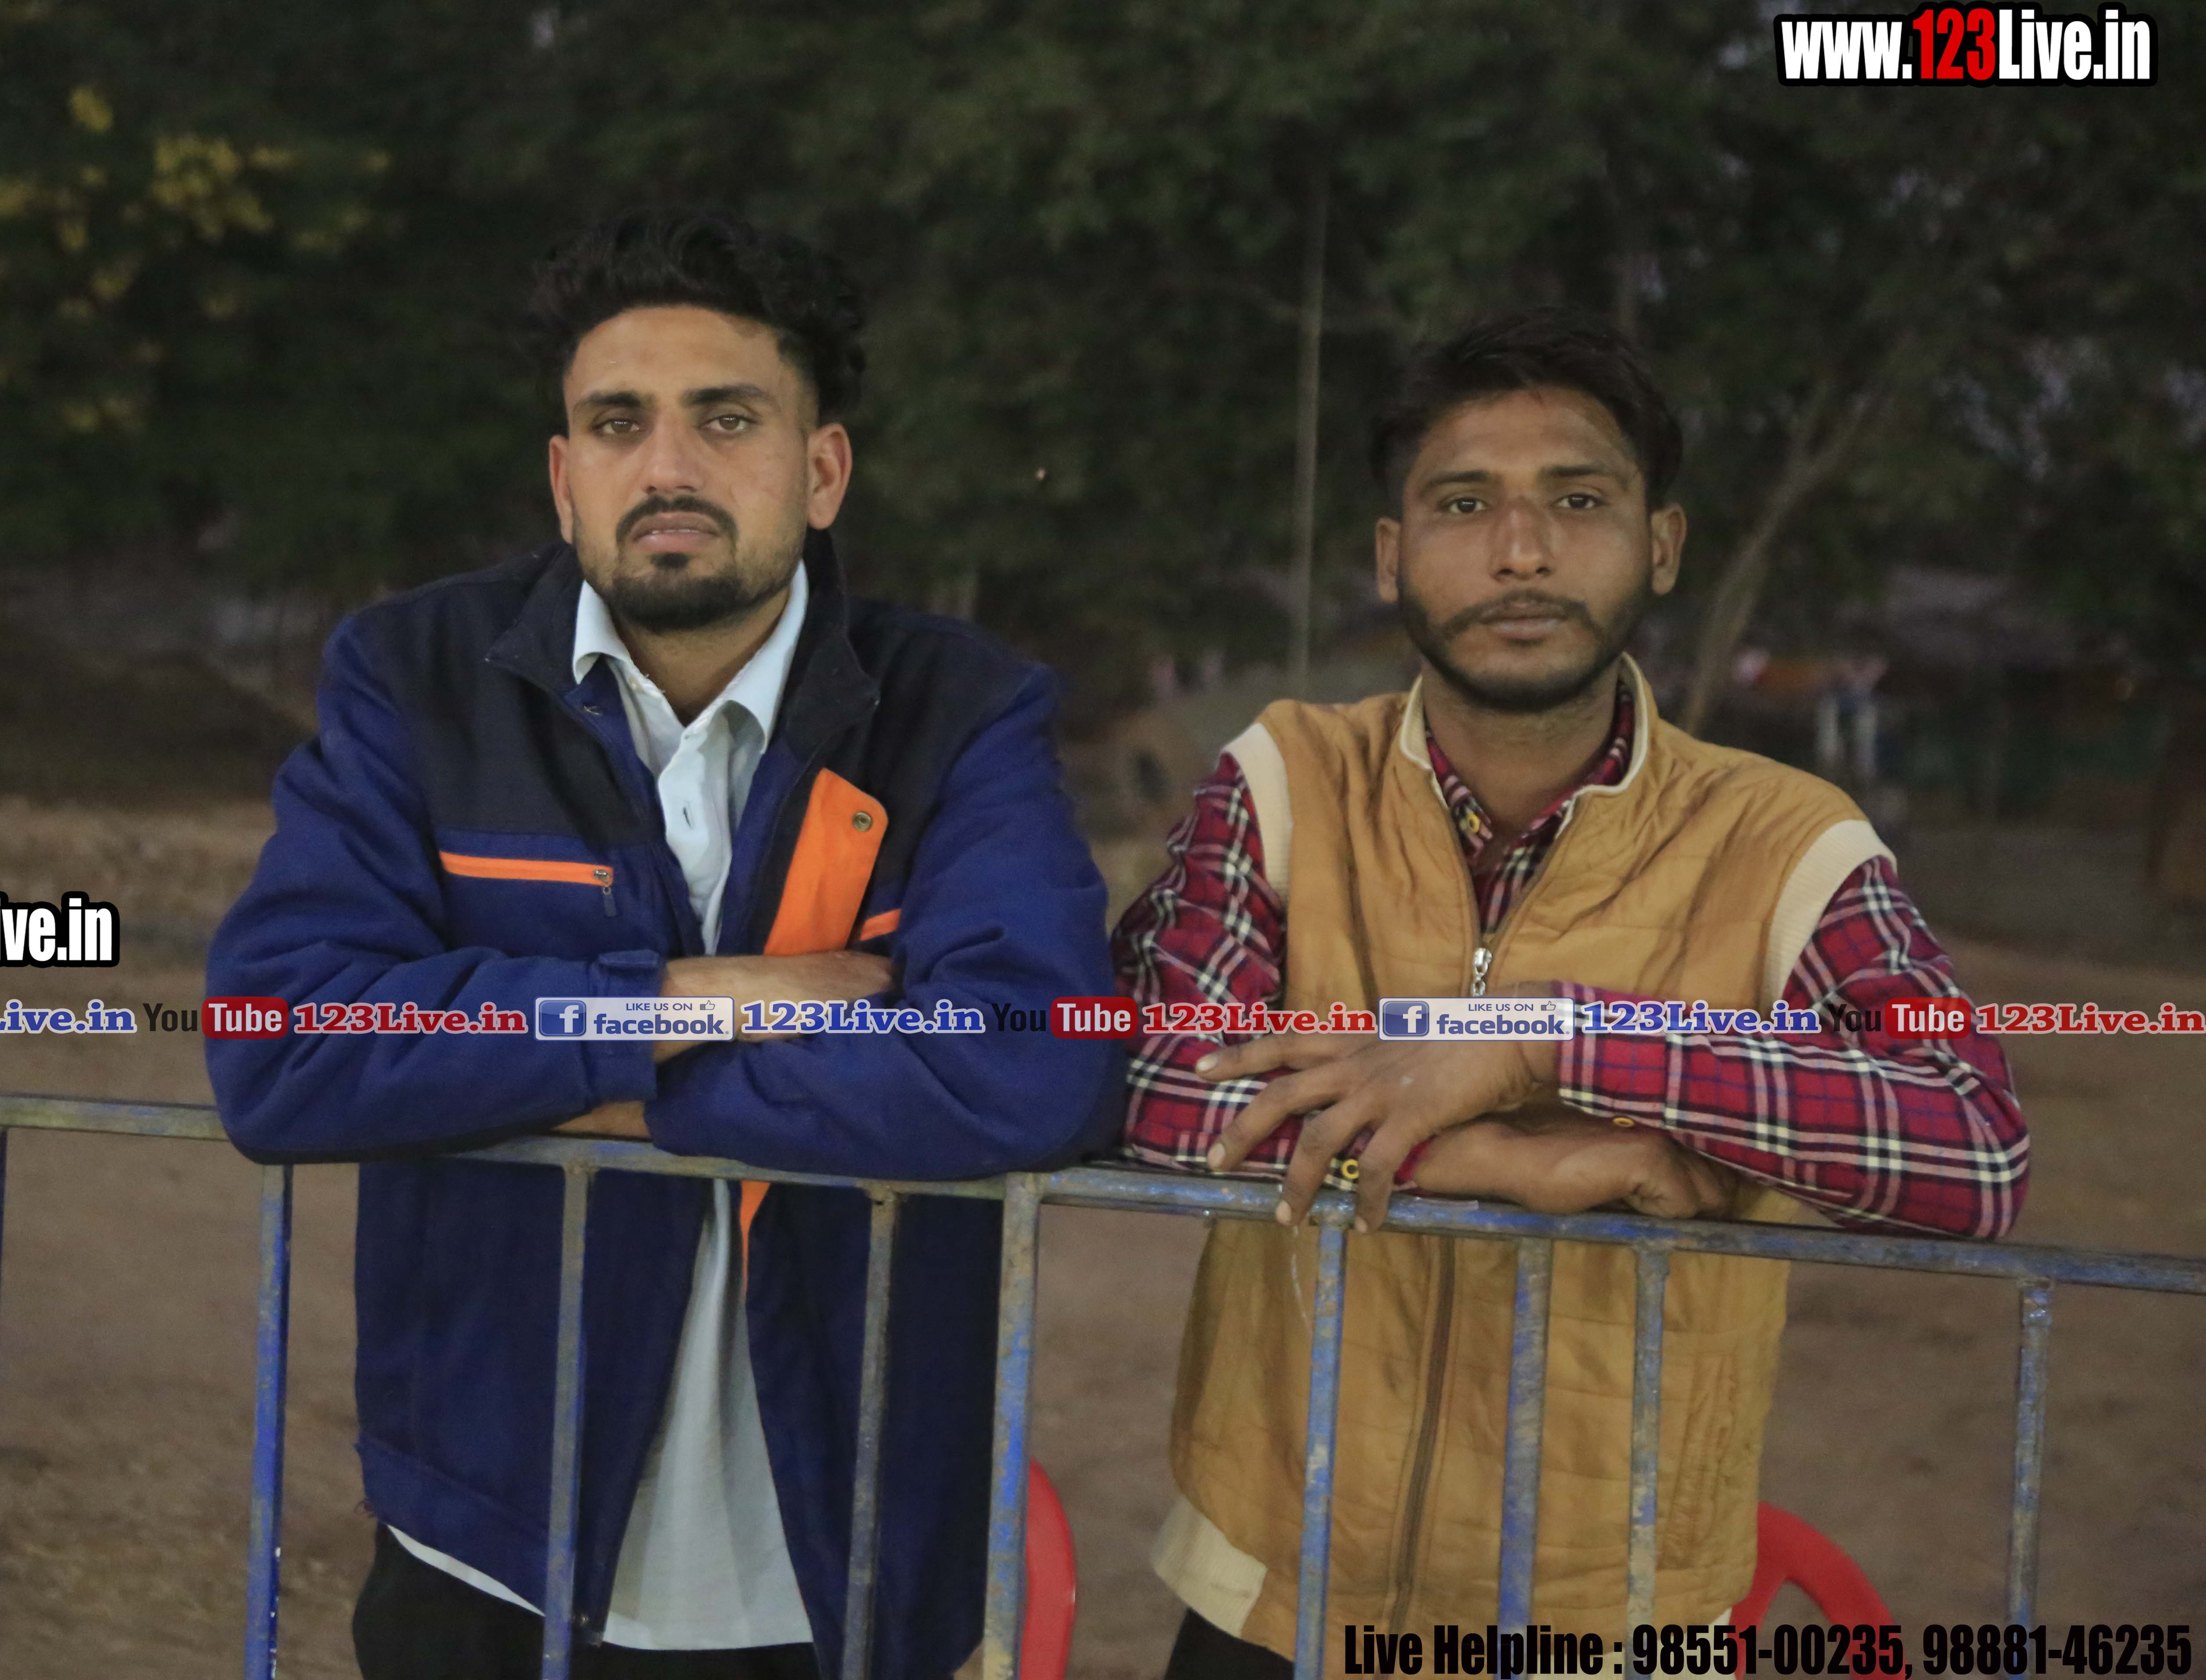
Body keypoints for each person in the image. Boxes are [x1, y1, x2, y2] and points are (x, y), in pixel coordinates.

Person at [206, 209, 1121, 1680]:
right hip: (487, 1537)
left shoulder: (959, 709)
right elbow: (281, 1046)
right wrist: (698, 997)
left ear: (822, 472)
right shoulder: (417, 679)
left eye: (728, 419)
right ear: (564, 477)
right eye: (618, 424)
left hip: (834, 1558)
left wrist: (605, 1089)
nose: (669, 468)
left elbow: (1034, 1063)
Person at [1111, 307, 2028, 1670]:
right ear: (1392, 554)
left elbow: (1973, 1142)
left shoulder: (1788, 837)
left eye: (1579, 500)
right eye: (1464, 502)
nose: (1523, 551)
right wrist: (1511, 1162)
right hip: (1273, 1585)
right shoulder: (1288, 776)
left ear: (1662, 542)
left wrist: (1559, 1040)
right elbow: (1164, 1089)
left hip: (1616, 1614)